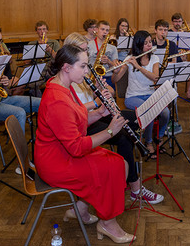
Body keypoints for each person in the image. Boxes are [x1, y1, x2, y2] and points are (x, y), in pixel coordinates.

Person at [35, 44, 135, 244]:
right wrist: (110, 131)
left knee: (118, 162)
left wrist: (99, 112)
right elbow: (77, 147)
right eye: (83, 66)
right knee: (115, 167)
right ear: (66, 67)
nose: (87, 71)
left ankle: (80, 210)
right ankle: (108, 223)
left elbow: (77, 117)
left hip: (62, 153)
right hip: (56, 162)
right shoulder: (57, 99)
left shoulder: (62, 86)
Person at [65, 32, 163, 204]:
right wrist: (96, 103)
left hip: (96, 115)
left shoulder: (83, 73)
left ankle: (124, 171)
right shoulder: (68, 78)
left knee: (134, 118)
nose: (86, 57)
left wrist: (100, 87)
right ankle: (134, 187)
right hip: (84, 124)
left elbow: (111, 92)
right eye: (83, 52)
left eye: (86, 52)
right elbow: (73, 114)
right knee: (124, 136)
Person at [112, 30, 169, 157]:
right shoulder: (129, 59)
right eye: (146, 43)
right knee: (148, 111)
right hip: (133, 97)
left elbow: (155, 77)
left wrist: (138, 67)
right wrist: (116, 72)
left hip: (150, 94)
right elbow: (115, 80)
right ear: (138, 44)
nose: (150, 45)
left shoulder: (154, 58)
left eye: (150, 42)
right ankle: (148, 142)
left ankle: (158, 137)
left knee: (166, 112)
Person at [87, 20, 119, 87]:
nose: (105, 32)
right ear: (96, 30)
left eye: (107, 30)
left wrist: (108, 61)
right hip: (92, 76)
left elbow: (116, 68)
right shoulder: (88, 45)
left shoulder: (113, 48)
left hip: (107, 77)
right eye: (102, 29)